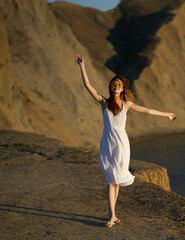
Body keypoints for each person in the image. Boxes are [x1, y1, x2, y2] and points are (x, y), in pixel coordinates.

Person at [75, 54, 177, 227]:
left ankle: (112, 214)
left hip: (121, 144)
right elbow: (87, 85)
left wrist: (166, 114)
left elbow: (148, 111)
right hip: (107, 143)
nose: (116, 86)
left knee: (117, 180)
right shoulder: (104, 103)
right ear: (111, 87)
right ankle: (112, 215)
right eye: (113, 84)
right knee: (110, 180)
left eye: (119, 85)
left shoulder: (127, 105)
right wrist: (82, 66)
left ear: (122, 89)